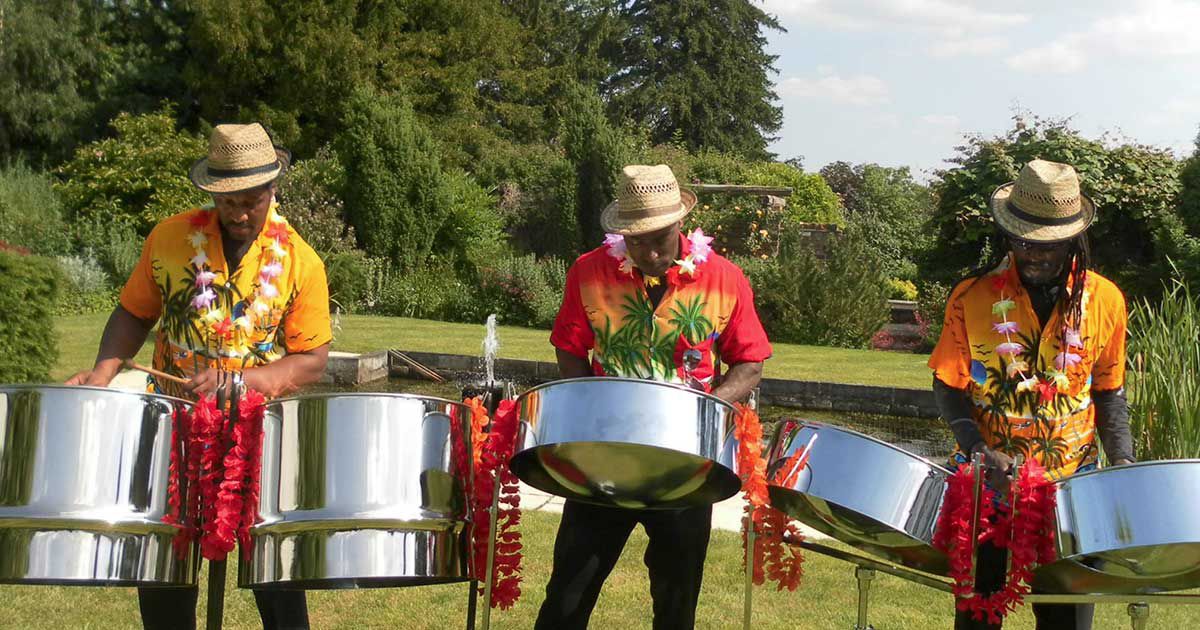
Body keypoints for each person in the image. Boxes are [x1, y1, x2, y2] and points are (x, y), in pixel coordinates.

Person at [67, 123, 331, 630]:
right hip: (174, 430)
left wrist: (238, 384)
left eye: (251, 199)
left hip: (257, 437)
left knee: (278, 581)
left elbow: (312, 359)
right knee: (163, 573)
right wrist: (103, 373)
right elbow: (132, 313)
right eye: (227, 200)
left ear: (272, 189)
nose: (239, 213)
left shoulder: (300, 262)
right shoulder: (169, 238)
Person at [538, 164, 772, 629]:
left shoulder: (724, 279)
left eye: (657, 240)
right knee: (568, 591)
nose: (646, 252)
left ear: (679, 225)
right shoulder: (588, 271)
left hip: (684, 464)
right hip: (604, 457)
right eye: (635, 240)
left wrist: (705, 411)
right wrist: (589, 410)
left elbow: (750, 362)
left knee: (675, 599)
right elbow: (569, 346)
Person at [928, 159, 1134, 630]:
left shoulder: (1106, 301)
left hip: (1073, 492)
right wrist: (977, 449)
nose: (1034, 255)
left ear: (1073, 240)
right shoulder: (971, 297)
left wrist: (1122, 464)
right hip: (989, 488)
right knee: (977, 618)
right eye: (1023, 242)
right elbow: (948, 383)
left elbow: (1109, 391)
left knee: (1067, 622)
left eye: (1048, 245)